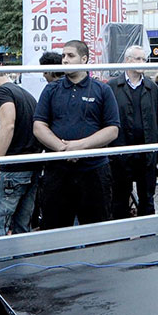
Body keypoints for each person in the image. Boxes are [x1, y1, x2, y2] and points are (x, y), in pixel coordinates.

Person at [32, 40, 120, 228]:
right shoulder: (51, 89)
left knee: (97, 229)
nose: (64, 60)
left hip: (93, 170)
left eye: (70, 56)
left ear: (84, 59)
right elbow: (39, 126)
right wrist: (63, 148)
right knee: (53, 229)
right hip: (57, 171)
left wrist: (78, 147)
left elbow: (112, 129)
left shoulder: (102, 89)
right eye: (63, 56)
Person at [107, 46, 158, 218]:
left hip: (146, 153)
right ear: (127, 60)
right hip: (120, 153)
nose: (142, 63)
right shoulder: (113, 86)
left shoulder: (152, 87)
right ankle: (121, 237)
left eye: (144, 59)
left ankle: (147, 236)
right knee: (119, 199)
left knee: (147, 198)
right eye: (138, 59)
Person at [0, 63, 41, 236]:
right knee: (22, 226)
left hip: (12, 169)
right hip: (30, 166)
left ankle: (1, 263)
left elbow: (8, 125)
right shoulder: (24, 94)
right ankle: (21, 262)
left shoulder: (2, 92)